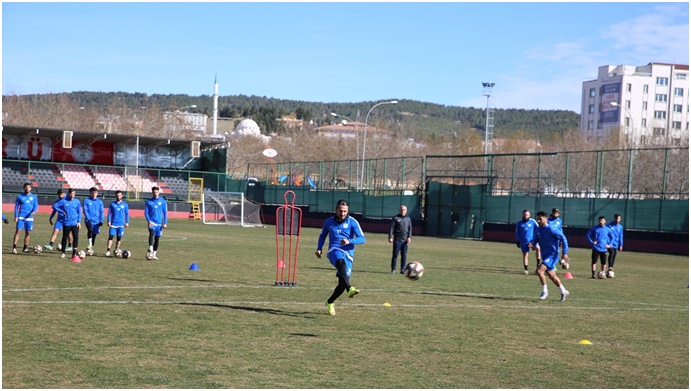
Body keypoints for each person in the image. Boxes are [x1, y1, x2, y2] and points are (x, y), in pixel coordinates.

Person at [316, 199, 366, 316]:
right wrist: (319, 248)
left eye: (345, 211)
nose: (342, 213)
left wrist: (349, 240)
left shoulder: (353, 222)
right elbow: (323, 235)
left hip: (348, 253)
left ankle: (329, 302)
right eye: (340, 211)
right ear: (336, 210)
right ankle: (350, 289)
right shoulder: (329, 222)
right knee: (341, 262)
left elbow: (362, 238)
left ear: (347, 211)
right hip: (334, 250)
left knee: (342, 283)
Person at [530, 211, 570, 302]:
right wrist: (532, 244)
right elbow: (536, 239)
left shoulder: (551, 229)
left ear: (546, 219)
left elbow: (563, 238)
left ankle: (545, 291)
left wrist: (565, 253)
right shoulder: (538, 229)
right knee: (551, 275)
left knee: (539, 271)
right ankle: (563, 291)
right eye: (538, 219)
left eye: (540, 219)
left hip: (553, 255)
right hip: (545, 255)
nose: (538, 221)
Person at [54, 188, 81, 259]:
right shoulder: (63, 201)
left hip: (75, 223)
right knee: (64, 237)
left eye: (73, 194)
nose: (72, 195)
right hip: (66, 222)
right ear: (68, 194)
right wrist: (61, 211)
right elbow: (55, 206)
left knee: (76, 237)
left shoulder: (77, 201)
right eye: (71, 194)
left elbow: (79, 212)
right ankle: (63, 252)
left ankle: (74, 253)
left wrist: (79, 221)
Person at [12, 182, 39, 254]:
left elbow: (35, 206)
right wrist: (16, 216)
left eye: (29, 187)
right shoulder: (20, 196)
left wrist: (34, 211)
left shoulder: (34, 197)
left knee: (28, 233)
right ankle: (14, 247)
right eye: (26, 187)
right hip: (21, 217)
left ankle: (25, 248)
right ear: (24, 188)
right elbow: (16, 207)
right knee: (18, 231)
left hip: (30, 217)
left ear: (31, 188)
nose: (27, 188)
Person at [145, 186, 168, 260]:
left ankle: (154, 254)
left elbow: (165, 213)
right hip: (152, 222)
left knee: (157, 238)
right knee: (151, 233)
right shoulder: (149, 201)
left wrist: (165, 222)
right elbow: (146, 212)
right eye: (154, 192)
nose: (155, 193)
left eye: (157, 192)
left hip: (159, 223)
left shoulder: (163, 201)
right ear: (152, 192)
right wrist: (149, 221)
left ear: (159, 192)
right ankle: (150, 247)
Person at [515, 209, 541, 275]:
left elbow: (538, 229)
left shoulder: (532, 221)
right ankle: (526, 269)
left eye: (527, 215)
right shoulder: (519, 223)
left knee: (538, 248)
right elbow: (517, 232)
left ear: (529, 215)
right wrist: (518, 241)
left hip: (532, 240)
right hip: (524, 241)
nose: (526, 216)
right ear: (522, 215)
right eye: (524, 214)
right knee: (525, 255)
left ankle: (538, 266)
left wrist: (536, 238)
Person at [388, 205, 412, 274]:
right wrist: (390, 237)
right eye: (401, 210)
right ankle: (393, 269)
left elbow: (410, 229)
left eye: (404, 210)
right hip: (397, 239)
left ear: (406, 211)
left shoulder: (408, 219)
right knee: (395, 255)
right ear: (399, 210)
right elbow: (391, 228)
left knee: (404, 255)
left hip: (405, 241)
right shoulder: (395, 218)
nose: (403, 211)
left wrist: (409, 237)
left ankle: (402, 269)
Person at [106, 190, 130, 256]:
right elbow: (109, 213)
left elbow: (127, 214)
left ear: (122, 196)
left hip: (121, 224)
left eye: (119, 195)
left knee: (119, 238)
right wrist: (108, 221)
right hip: (113, 223)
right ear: (115, 196)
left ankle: (117, 249)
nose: (118, 196)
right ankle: (108, 250)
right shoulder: (112, 204)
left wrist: (127, 222)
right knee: (111, 237)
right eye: (117, 195)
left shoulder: (125, 205)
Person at [83, 187, 104, 253]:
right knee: (90, 230)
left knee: (94, 235)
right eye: (92, 193)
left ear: (97, 193)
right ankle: (89, 243)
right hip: (88, 220)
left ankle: (91, 248)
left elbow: (101, 212)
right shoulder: (86, 200)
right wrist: (88, 218)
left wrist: (101, 220)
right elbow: (85, 210)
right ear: (90, 193)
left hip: (96, 221)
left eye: (95, 192)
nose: (93, 194)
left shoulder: (99, 202)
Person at [606, 214, 624, 278]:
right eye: (616, 218)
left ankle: (610, 269)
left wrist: (621, 245)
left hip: (616, 244)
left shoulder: (620, 227)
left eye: (618, 218)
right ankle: (610, 267)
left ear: (620, 219)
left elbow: (620, 236)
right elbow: (606, 234)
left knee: (613, 255)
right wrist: (607, 243)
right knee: (611, 253)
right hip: (610, 244)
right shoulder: (609, 225)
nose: (617, 220)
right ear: (614, 218)